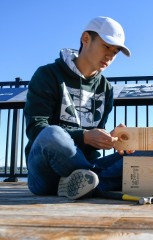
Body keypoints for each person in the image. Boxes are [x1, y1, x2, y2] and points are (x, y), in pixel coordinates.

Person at [24, 16, 136, 200]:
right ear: (85, 39)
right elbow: (36, 129)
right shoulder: (48, 74)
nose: (110, 55)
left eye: (115, 52)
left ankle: (87, 182)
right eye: (106, 46)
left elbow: (92, 137)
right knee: (52, 134)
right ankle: (98, 181)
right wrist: (84, 136)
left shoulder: (105, 88)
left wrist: (112, 139)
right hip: (46, 174)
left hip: (85, 166)